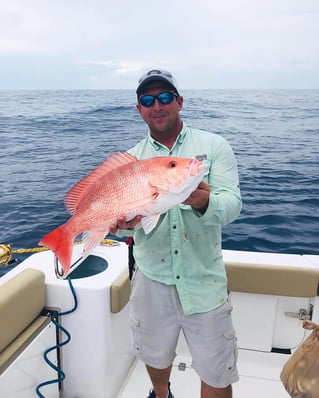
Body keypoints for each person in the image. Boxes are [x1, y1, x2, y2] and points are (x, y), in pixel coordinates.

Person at [110, 69, 242, 398]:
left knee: (216, 369)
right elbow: (126, 216)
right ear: (139, 109)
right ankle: (162, 393)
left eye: (166, 97)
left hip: (204, 279)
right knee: (154, 354)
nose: (158, 105)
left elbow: (232, 205)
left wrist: (204, 201)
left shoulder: (213, 146)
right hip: (151, 277)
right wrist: (122, 222)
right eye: (148, 100)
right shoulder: (131, 159)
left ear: (179, 102)